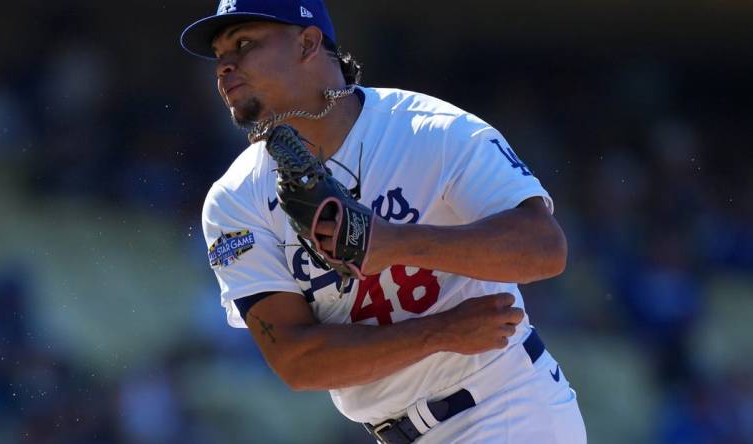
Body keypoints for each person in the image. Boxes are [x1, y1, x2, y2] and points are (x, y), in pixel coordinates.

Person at [181, 1, 586, 442]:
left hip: (505, 405)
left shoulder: (427, 129)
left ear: (308, 43)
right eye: (220, 56)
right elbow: (297, 361)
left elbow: (545, 249)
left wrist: (396, 242)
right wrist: (440, 332)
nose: (225, 68)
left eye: (243, 44)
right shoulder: (236, 199)